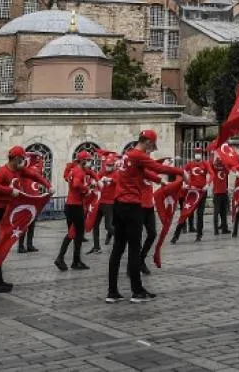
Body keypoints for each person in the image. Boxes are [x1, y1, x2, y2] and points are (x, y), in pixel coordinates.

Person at [107, 129, 181, 303]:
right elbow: (158, 167)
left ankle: (112, 292)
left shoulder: (128, 155)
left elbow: (143, 172)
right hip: (132, 206)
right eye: (152, 146)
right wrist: (180, 172)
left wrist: (159, 180)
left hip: (118, 205)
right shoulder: (139, 155)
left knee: (118, 248)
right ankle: (137, 291)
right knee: (134, 248)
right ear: (147, 142)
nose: (151, 149)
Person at [0, 145, 51, 294]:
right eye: (22, 159)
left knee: (2, 242)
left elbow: (34, 176)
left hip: (6, 209)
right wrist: (10, 190)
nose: (23, 162)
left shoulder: (18, 170)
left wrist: (48, 186)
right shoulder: (3, 171)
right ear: (15, 158)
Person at [56, 150, 94, 271]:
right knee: (76, 234)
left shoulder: (73, 170)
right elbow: (77, 184)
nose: (89, 162)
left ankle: (70, 260)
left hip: (70, 205)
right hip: (76, 206)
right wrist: (87, 189)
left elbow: (71, 182)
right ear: (82, 160)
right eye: (87, 160)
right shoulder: (79, 171)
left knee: (74, 233)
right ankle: (68, 260)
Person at [212, 150, 233, 236]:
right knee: (216, 213)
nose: (220, 163)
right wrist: (215, 157)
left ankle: (225, 228)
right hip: (217, 193)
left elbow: (228, 170)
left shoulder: (224, 169)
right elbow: (211, 165)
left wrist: (223, 162)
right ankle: (216, 230)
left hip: (224, 192)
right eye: (219, 162)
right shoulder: (214, 170)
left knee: (224, 212)